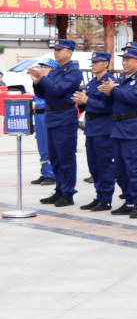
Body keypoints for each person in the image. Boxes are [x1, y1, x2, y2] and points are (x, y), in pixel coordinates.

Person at [29, 40, 83, 207]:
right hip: (52, 115)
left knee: (65, 156)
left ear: (70, 52)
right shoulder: (55, 71)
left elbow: (58, 90)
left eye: (60, 49)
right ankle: (59, 190)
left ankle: (67, 193)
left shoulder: (73, 72)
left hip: (65, 116)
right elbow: (44, 93)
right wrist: (37, 81)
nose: (56, 52)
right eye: (55, 49)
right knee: (55, 157)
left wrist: (42, 78)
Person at [103, 47, 137, 218]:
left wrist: (114, 90)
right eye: (123, 60)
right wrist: (108, 92)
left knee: (134, 167)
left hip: (133, 128)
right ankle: (128, 199)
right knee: (119, 169)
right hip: (118, 128)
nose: (123, 63)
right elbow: (115, 99)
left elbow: (135, 98)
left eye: (127, 60)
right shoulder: (122, 78)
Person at [72, 52, 115, 211]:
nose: (93, 64)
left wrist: (87, 100)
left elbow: (108, 107)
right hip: (91, 127)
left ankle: (106, 198)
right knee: (94, 165)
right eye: (93, 61)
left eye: (97, 62)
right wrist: (81, 102)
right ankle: (99, 196)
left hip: (103, 128)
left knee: (104, 165)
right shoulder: (92, 82)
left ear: (105, 64)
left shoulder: (109, 82)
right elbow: (87, 103)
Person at [29, 68, 55, 186]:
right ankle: (45, 172)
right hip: (38, 116)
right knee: (41, 146)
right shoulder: (39, 82)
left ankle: (51, 174)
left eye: (45, 67)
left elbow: (53, 100)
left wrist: (37, 104)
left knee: (48, 146)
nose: (42, 69)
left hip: (47, 115)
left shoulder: (53, 82)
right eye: (41, 67)